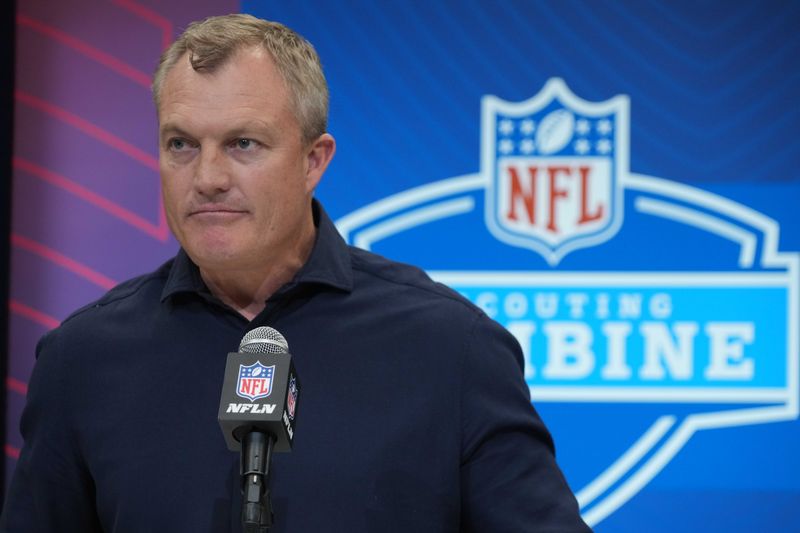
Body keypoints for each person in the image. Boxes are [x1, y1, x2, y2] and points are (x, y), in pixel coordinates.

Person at [1, 14, 591, 533]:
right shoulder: (81, 360)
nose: (207, 176)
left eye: (243, 143)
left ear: (314, 161)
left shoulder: (451, 348)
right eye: (181, 144)